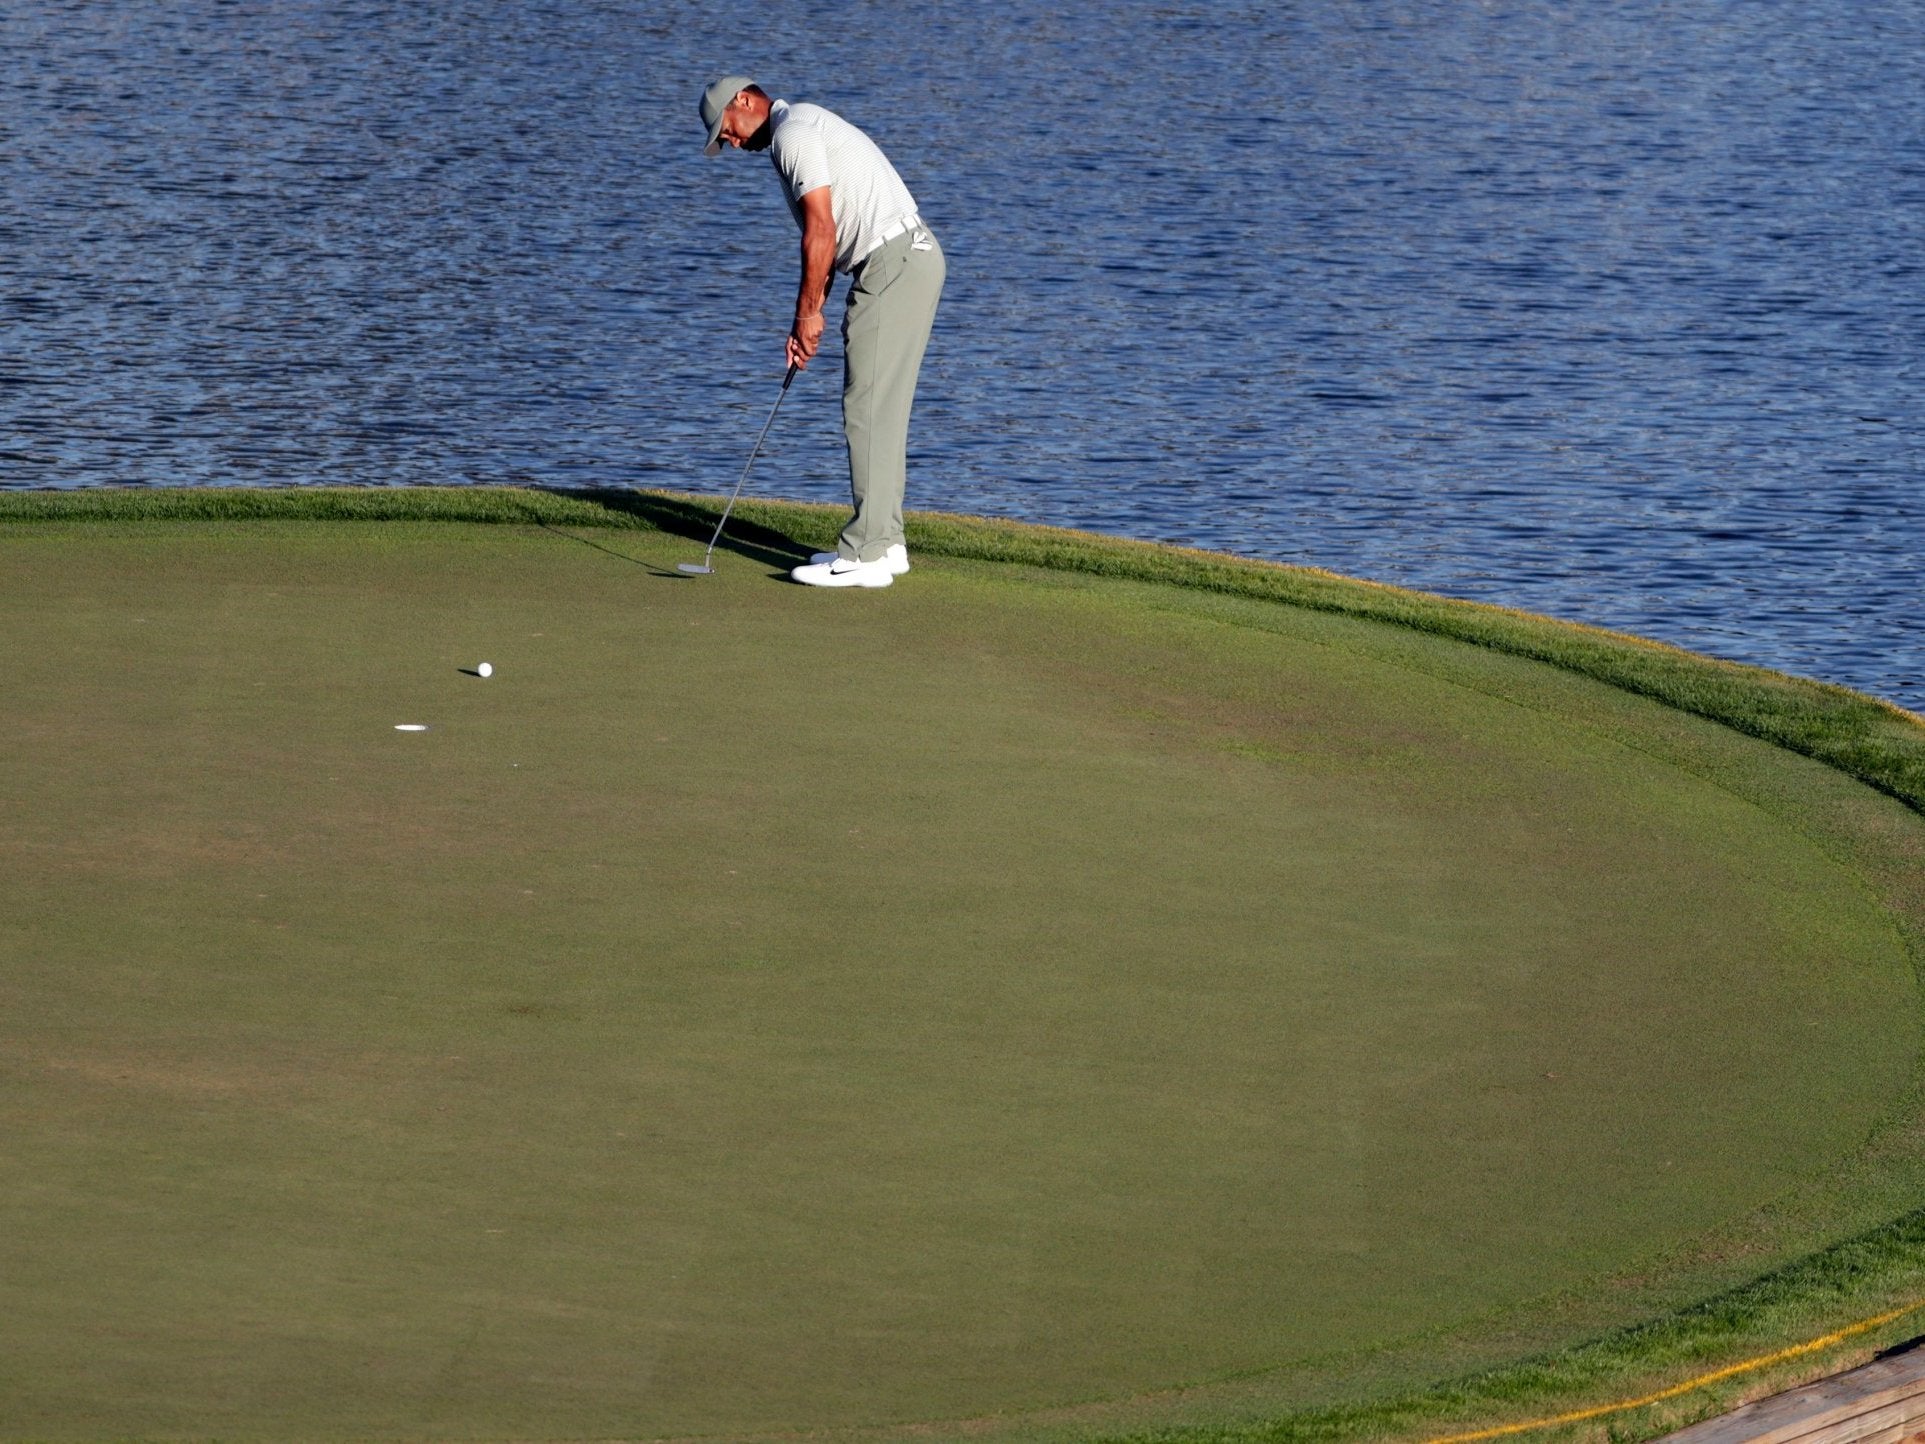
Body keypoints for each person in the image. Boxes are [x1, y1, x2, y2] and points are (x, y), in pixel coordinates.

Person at [698, 75, 945, 588]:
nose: (732, 143)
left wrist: (806, 315)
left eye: (728, 130)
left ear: (744, 99)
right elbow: (827, 245)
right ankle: (887, 542)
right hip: (905, 260)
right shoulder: (801, 124)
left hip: (893, 264)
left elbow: (821, 231)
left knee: (868, 408)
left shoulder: (792, 134)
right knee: (881, 408)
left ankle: (867, 553)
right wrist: (809, 318)